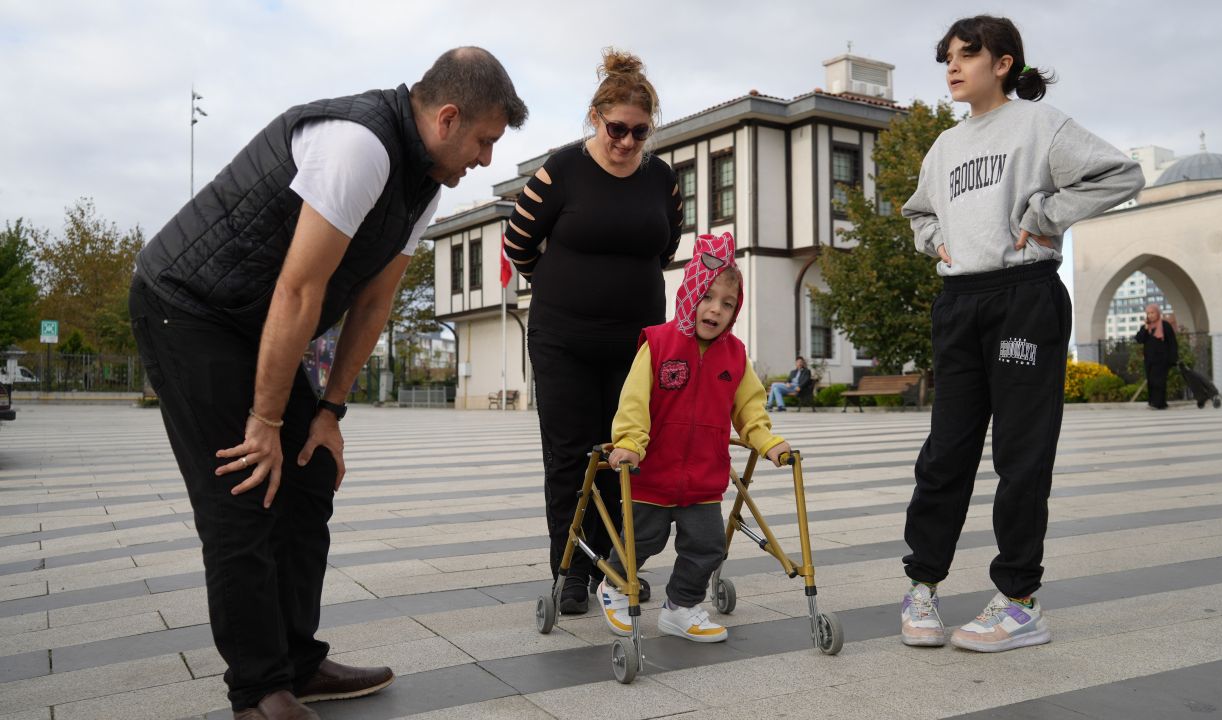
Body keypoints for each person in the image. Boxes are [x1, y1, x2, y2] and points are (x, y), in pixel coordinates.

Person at [130, 48, 526, 719]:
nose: (486, 159)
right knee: (245, 487)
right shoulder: (359, 147)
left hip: (257, 319)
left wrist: (329, 413)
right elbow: (300, 288)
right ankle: (258, 691)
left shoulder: (424, 182)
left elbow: (373, 302)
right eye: (485, 141)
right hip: (188, 305)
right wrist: (263, 421)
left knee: (309, 470)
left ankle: (298, 664)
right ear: (447, 118)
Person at [898, 15, 1144, 653]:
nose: (952, 67)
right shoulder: (944, 148)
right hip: (960, 302)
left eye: (966, 56)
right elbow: (919, 212)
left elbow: (1120, 174)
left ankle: (1018, 600)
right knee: (946, 451)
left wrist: (1044, 214)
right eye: (946, 57)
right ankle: (922, 584)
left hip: (1024, 297)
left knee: (1020, 452)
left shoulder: (1040, 123)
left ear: (1003, 62)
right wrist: (938, 242)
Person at [503, 49, 682, 614]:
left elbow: (668, 245)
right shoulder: (561, 170)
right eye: (616, 129)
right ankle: (571, 570)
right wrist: (561, 286)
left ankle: (615, 566)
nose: (626, 141)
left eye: (638, 131)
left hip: (637, 345)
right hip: (564, 342)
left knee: (625, 454)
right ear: (595, 118)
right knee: (571, 457)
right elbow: (517, 246)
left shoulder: (662, 179)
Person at [600, 232, 790, 642]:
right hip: (652, 473)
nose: (716, 309)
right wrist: (629, 443)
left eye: (727, 303)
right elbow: (634, 401)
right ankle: (614, 585)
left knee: (708, 547)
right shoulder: (659, 343)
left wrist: (767, 441)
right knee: (641, 540)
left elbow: (750, 408)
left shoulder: (735, 355)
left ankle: (681, 606)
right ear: (689, 294)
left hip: (704, 477)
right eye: (708, 297)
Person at [1136, 303, 1178, 409]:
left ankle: (1160, 403)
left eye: (1152, 313)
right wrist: (1145, 328)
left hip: (1162, 360)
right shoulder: (1146, 327)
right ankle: (1152, 402)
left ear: (1157, 313)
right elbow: (1139, 339)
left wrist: (1173, 358)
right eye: (1148, 313)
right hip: (1149, 360)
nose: (1150, 315)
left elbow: (1172, 343)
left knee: (1159, 382)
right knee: (1151, 381)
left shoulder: (1165, 325)